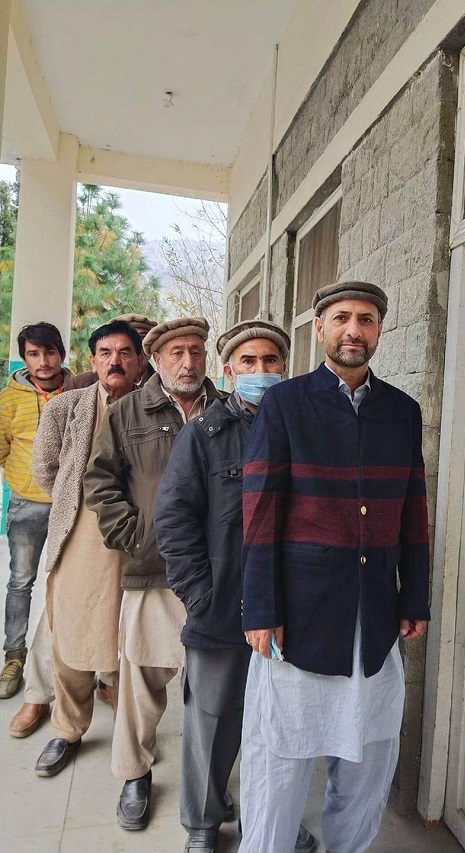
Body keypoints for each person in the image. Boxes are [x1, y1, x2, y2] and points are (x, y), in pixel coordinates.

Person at [239, 281, 430, 853]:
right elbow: (260, 515)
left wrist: (414, 595)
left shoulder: (402, 410)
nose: (354, 330)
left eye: (367, 319)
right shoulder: (285, 403)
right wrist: (262, 609)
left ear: (378, 331)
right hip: (300, 615)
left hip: (373, 615)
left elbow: (413, 509)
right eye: (342, 318)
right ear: (318, 328)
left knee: (369, 755)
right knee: (282, 760)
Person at [155, 320, 316, 853]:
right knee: (212, 721)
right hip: (222, 607)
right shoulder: (204, 433)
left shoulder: (305, 429)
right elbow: (174, 520)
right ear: (228, 371)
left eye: (271, 361)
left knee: (281, 725)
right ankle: (202, 826)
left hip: (290, 607)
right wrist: (200, 594)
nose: (261, 371)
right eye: (248, 362)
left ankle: (271, 821)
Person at [84, 317, 223, 832]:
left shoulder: (228, 409)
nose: (188, 362)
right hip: (153, 567)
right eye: (176, 353)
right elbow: (100, 480)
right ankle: (136, 773)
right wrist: (131, 533)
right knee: (141, 676)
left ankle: (212, 783)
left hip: (217, 572)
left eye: (196, 351)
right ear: (156, 360)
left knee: (214, 684)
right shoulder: (126, 412)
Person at [30, 321, 142, 776]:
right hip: (79, 533)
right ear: (93, 360)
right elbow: (45, 466)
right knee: (72, 634)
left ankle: (133, 737)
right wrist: (82, 499)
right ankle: (68, 729)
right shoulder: (68, 408)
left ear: (140, 361)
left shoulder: (154, 408)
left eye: (124, 353)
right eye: (104, 352)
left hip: (136, 541)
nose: (114, 360)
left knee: (131, 635)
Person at [0, 322, 71, 699]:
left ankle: (69, 660)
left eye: (49, 352)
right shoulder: (8, 399)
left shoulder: (80, 392)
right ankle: (14, 657)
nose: (43, 362)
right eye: (33, 353)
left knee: (70, 585)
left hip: (72, 507)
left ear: (62, 352)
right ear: (25, 357)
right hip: (26, 506)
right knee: (20, 582)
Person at [66, 313, 156, 390]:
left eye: (143, 338)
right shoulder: (79, 384)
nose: (139, 346)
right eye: (106, 353)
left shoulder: (162, 384)